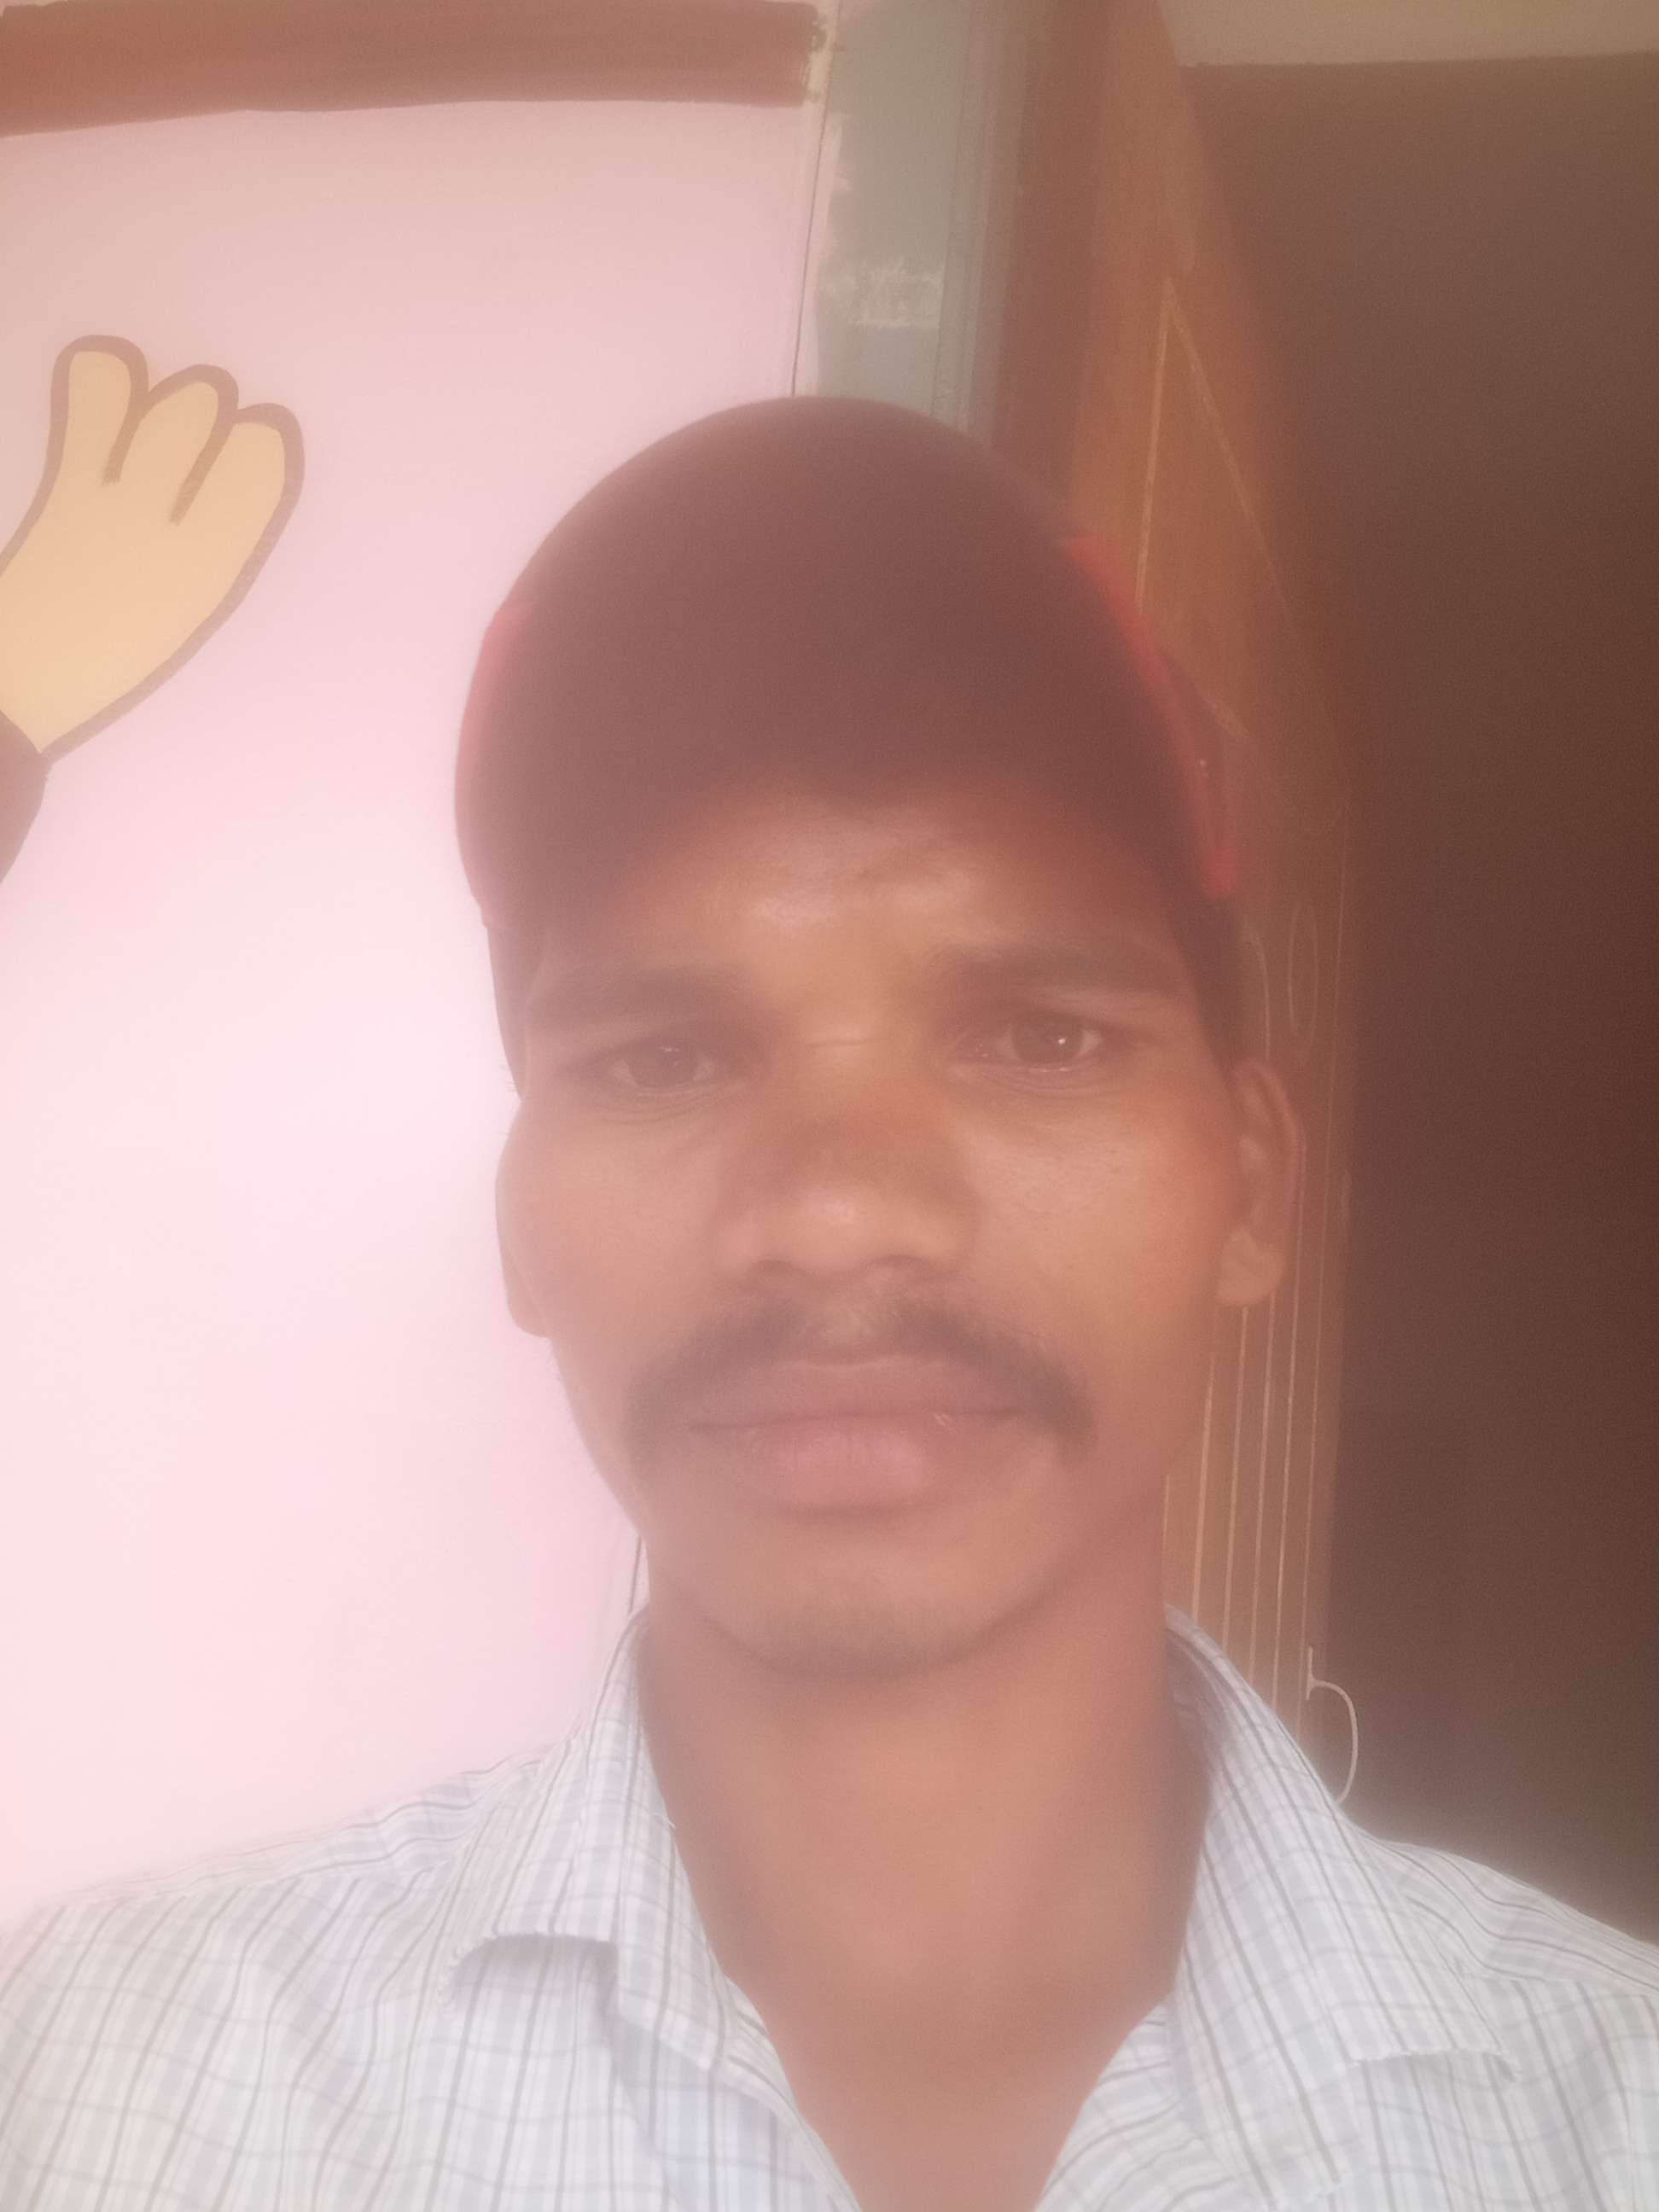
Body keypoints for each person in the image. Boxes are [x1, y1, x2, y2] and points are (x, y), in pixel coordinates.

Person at [1, 399, 1654, 2210]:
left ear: (1248, 1187)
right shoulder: (107, 2076)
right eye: (664, 1058)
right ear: (520, 1232)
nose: (840, 1208)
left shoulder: (1607, 2115)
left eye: (1040, 1039)